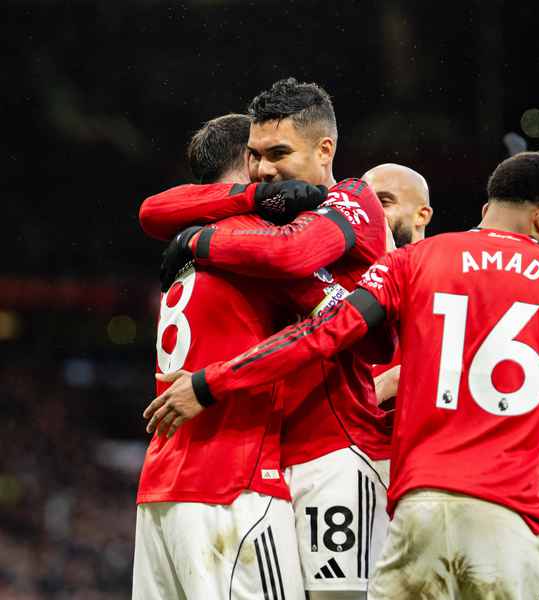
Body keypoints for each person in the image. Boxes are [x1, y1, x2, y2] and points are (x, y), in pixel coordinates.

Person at [147, 151, 539, 599]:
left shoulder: (414, 261)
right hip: (513, 511)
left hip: (419, 503)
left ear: (486, 207)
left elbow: (322, 333)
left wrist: (211, 382)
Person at [142, 78, 392, 599]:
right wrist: (253, 198)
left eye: (278, 154)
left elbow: (292, 257)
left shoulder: (351, 199)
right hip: (265, 456)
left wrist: (198, 239)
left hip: (332, 448)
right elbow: (151, 210)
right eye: (254, 157)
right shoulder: (260, 215)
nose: (263, 169)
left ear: (324, 150)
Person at [133, 113, 326, 600]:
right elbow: (340, 316)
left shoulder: (189, 240)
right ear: (249, 159)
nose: (274, 170)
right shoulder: (254, 241)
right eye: (267, 154)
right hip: (233, 484)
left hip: (161, 488)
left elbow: (152, 210)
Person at [362, 164, 432, 405]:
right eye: (364, 203)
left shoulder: (446, 280)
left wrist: (397, 378)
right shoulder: (339, 279)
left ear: (421, 215)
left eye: (383, 202)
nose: (369, 213)